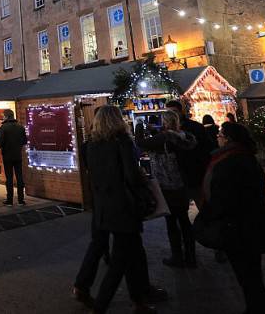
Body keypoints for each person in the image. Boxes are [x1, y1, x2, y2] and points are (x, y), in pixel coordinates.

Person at [72, 106, 155, 314]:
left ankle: (139, 300)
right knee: (121, 259)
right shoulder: (122, 142)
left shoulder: (90, 145)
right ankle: (102, 306)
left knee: (128, 252)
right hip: (123, 207)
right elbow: (131, 176)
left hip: (102, 205)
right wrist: (144, 184)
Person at [201, 122, 265, 313]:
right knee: (252, 275)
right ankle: (255, 308)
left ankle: (260, 309)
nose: (217, 137)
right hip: (253, 222)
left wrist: (208, 216)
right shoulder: (246, 157)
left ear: (227, 139)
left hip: (238, 226)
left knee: (248, 277)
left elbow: (223, 198)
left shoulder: (228, 162)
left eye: (220, 134)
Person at [139, 111, 197, 268]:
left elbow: (141, 143)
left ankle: (177, 256)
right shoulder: (185, 137)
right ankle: (191, 257)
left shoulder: (163, 138)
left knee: (171, 222)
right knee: (184, 221)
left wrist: (140, 127)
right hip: (182, 183)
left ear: (164, 122)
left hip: (167, 183)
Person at [165, 100, 212, 204]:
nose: (172, 115)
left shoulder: (195, 127)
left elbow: (206, 147)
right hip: (177, 177)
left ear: (181, 111)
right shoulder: (166, 132)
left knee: (203, 204)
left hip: (195, 173)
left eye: (174, 112)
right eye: (168, 113)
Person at [0, 109, 27, 205]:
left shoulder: (3, 127)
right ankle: (21, 200)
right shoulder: (20, 127)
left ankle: (9, 200)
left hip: (7, 156)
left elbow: (0, 143)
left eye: (3, 116)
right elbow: (24, 141)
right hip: (18, 155)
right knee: (19, 177)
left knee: (9, 178)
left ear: (6, 116)